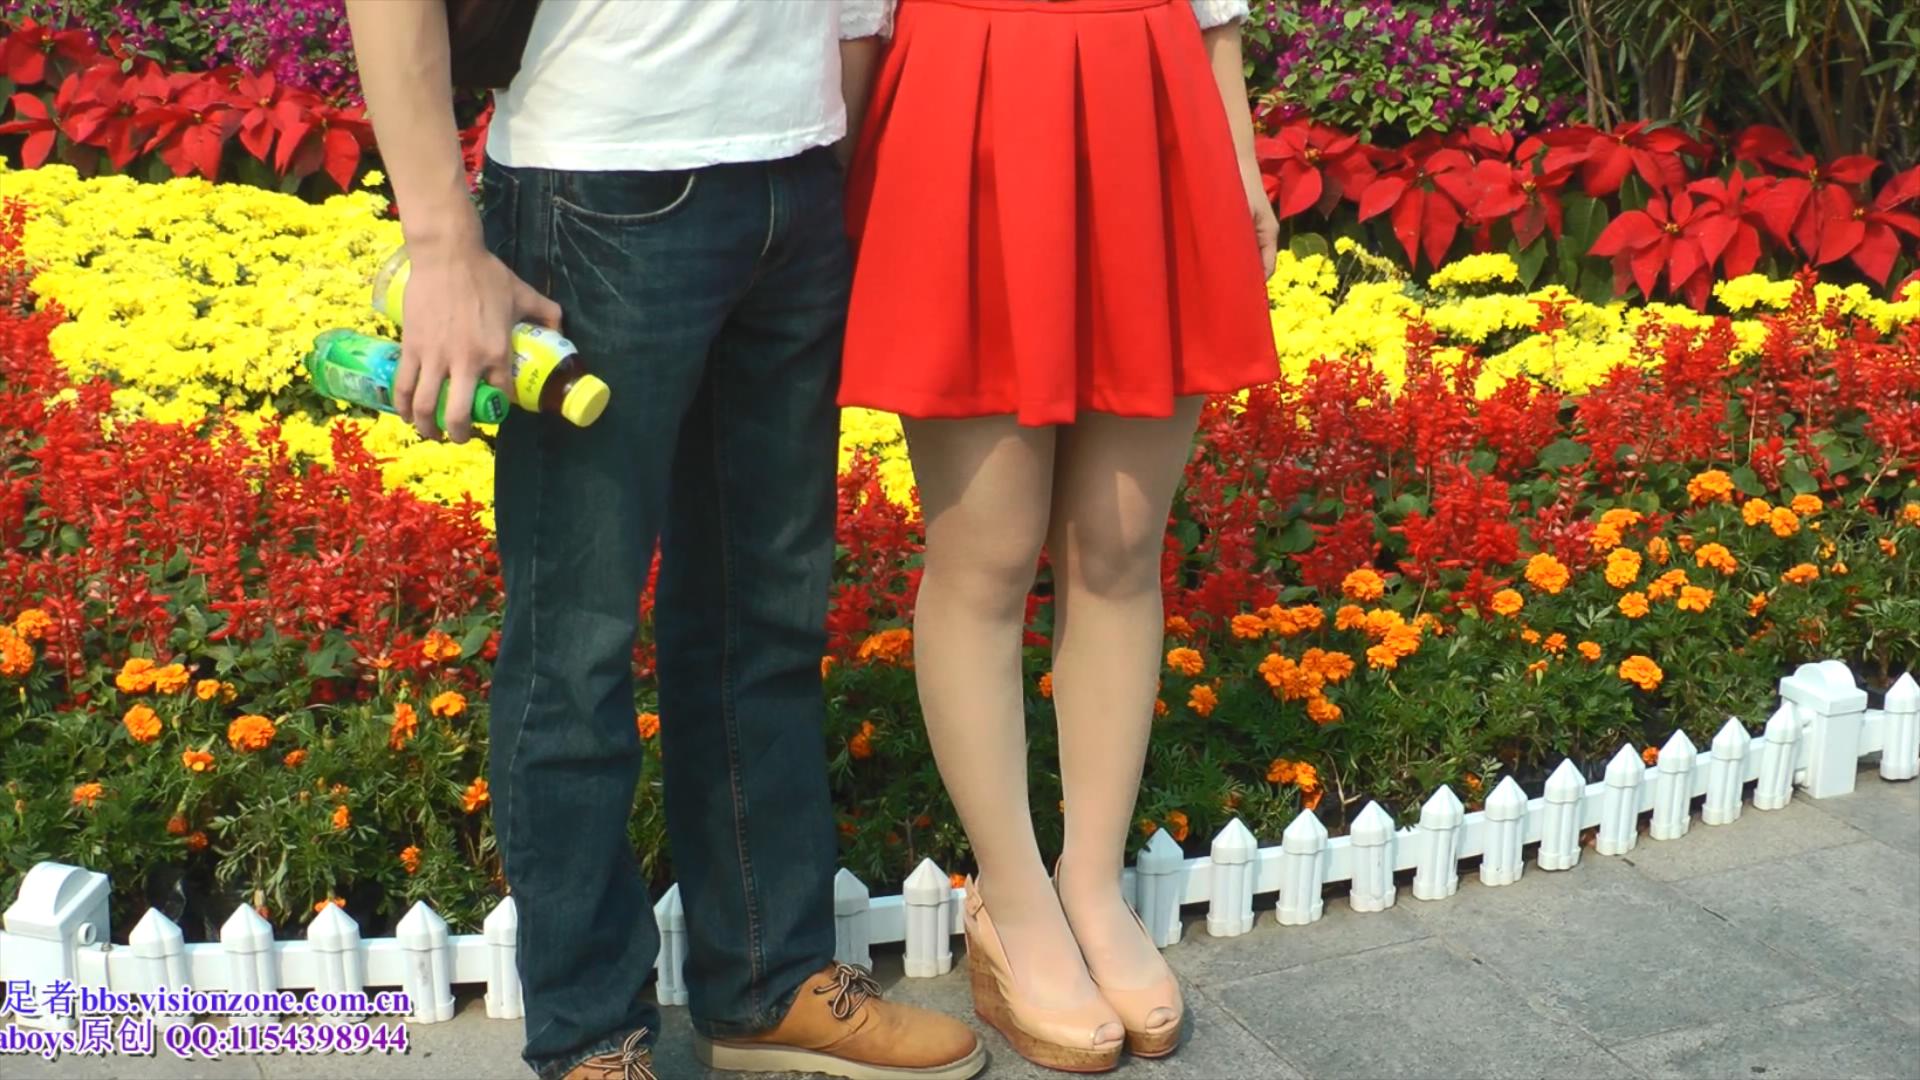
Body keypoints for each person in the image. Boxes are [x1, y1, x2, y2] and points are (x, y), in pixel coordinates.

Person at [341, 3, 984, 1079]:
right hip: (600, 179)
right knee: (576, 642)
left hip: (796, 170)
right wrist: (443, 244)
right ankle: (590, 1034)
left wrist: (832, 148)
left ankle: (769, 987)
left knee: (765, 619)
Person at [839, 0, 1278, 1071]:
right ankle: (1013, 898)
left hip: (1150, 93)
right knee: (987, 551)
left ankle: (1090, 880)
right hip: (963, 97)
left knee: (1120, 545)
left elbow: (1217, 10)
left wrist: (1238, 158)